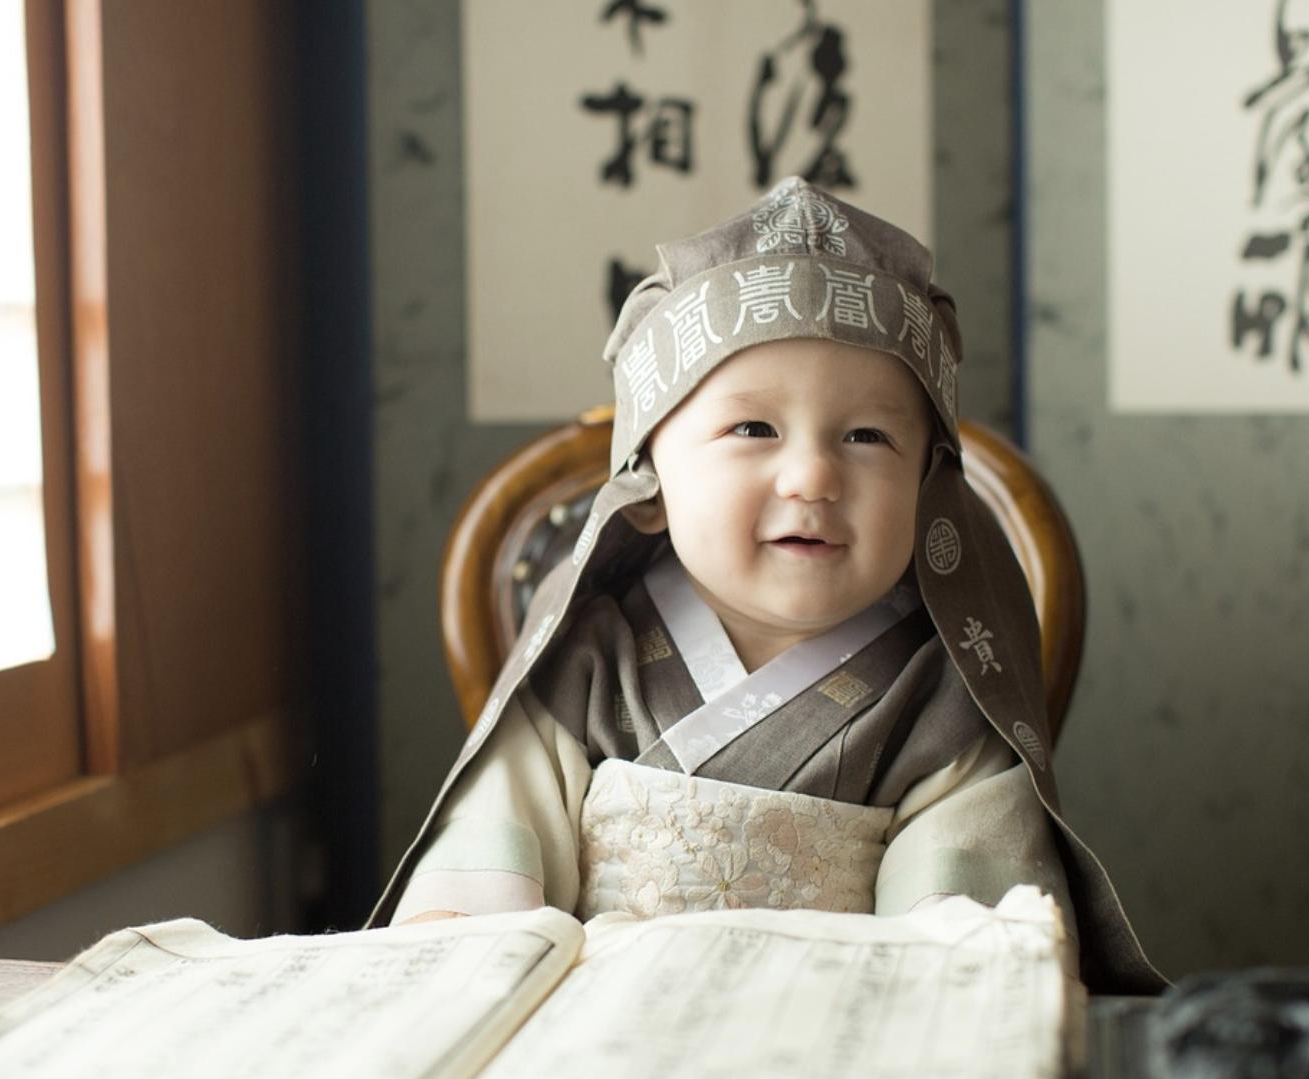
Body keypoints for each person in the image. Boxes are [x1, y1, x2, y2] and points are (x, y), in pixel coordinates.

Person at [371, 178, 1164, 993]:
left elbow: (958, 946)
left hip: (832, 1050)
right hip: (595, 1048)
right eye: (753, 428)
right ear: (649, 474)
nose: (813, 475)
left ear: (928, 485)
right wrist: (458, 942)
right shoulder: (587, 654)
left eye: (866, 435)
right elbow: (490, 862)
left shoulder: (942, 695)